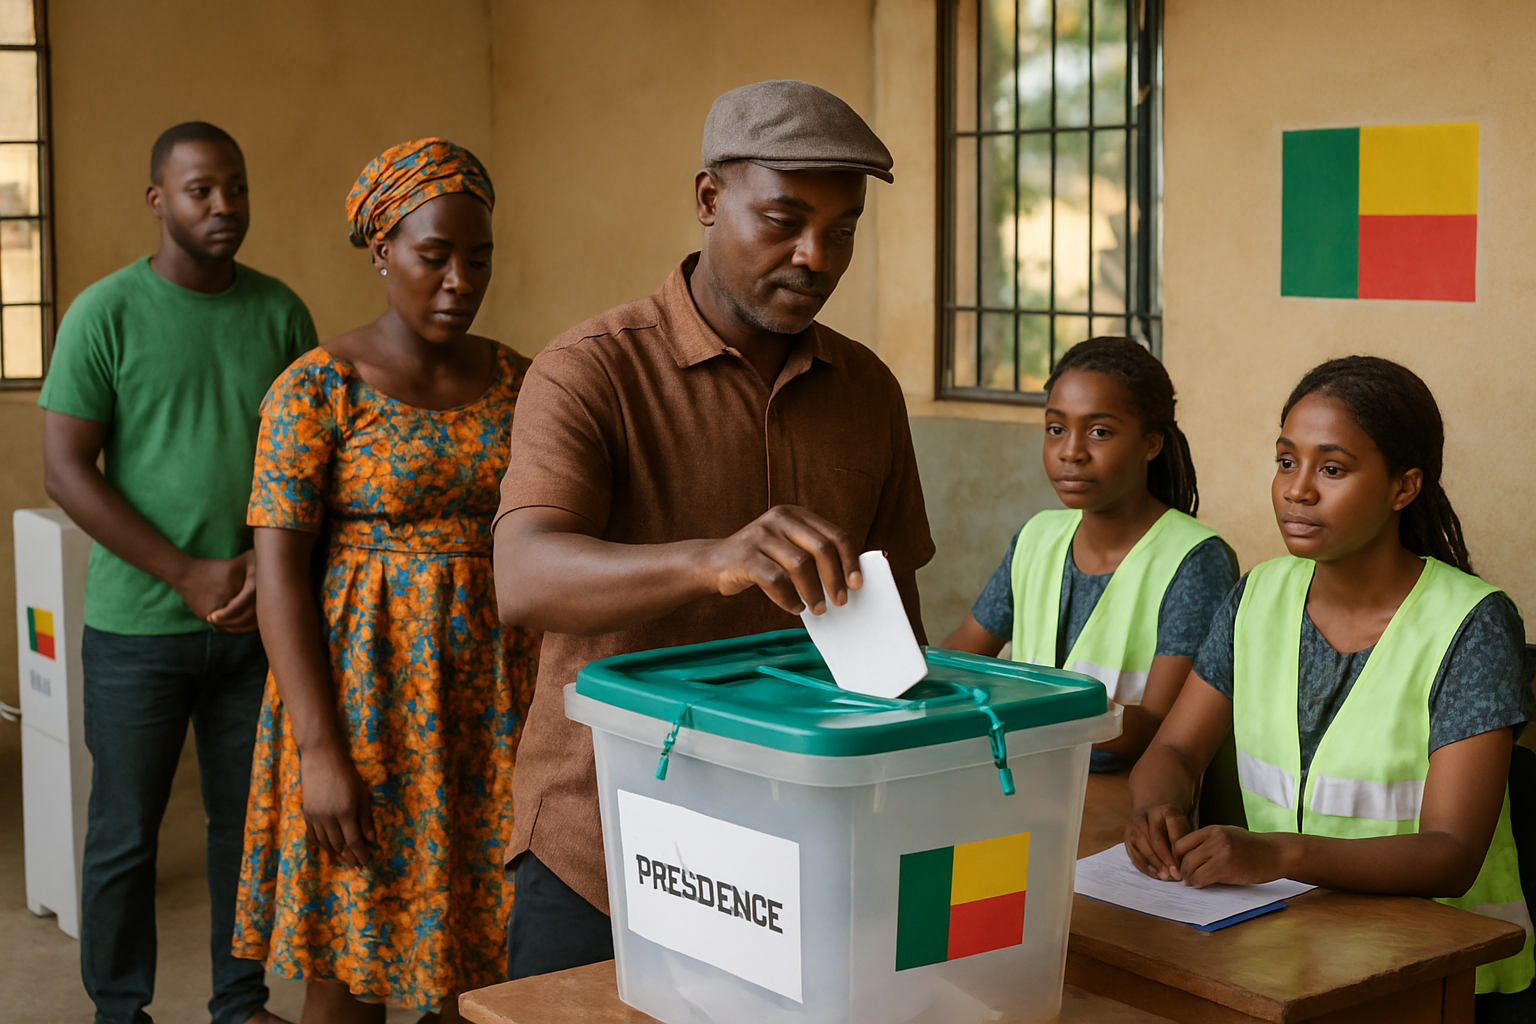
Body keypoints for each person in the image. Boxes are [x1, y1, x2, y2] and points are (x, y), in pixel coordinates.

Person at [492, 79, 934, 979]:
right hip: (605, 847)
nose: (816, 254)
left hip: (799, 844)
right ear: (707, 199)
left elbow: (897, 613)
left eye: (842, 228)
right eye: (782, 220)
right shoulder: (589, 373)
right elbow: (526, 577)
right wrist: (716, 560)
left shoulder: (867, 390)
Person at [230, 139, 540, 1024]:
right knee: (354, 954)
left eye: (477, 258)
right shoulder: (320, 388)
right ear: (382, 252)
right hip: (359, 706)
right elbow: (279, 570)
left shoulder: (520, 380)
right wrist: (321, 751)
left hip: (486, 703)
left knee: (478, 946)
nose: (458, 280)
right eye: (433, 255)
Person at [1124, 356, 1534, 1016]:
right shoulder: (1257, 594)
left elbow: (1452, 855)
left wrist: (1276, 853)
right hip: (1289, 958)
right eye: (1286, 461)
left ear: (1404, 488)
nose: (1297, 490)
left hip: (1442, 977)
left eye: (1332, 469)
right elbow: (1173, 751)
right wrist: (1157, 809)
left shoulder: (1472, 624)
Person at [38, 122, 315, 1024]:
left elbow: (309, 465)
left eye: (235, 186)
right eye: (201, 190)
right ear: (159, 200)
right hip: (135, 633)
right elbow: (66, 469)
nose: (224, 206)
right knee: (124, 836)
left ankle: (239, 1005)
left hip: (256, 621)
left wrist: (256, 572)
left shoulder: (280, 313)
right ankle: (121, 1012)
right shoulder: (104, 313)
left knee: (248, 832)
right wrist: (188, 573)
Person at [941, 337, 1237, 770]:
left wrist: (1031, 707)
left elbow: (1160, 730)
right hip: (1025, 780)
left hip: (1124, 799)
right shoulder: (1038, 536)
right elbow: (959, 660)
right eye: (1056, 429)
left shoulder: (1194, 561)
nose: (1070, 451)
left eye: (1099, 432)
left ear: (1151, 444)